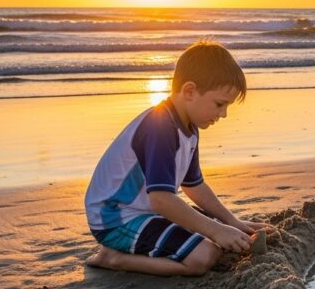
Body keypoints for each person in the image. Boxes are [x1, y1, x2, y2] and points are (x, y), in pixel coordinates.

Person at [84, 41, 272, 276]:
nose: (223, 114)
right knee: (204, 256)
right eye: (219, 104)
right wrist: (216, 231)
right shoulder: (160, 127)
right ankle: (113, 258)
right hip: (116, 218)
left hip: (146, 211)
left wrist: (231, 222)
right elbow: (161, 199)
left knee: (216, 233)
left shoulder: (189, 128)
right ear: (189, 91)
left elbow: (194, 185)